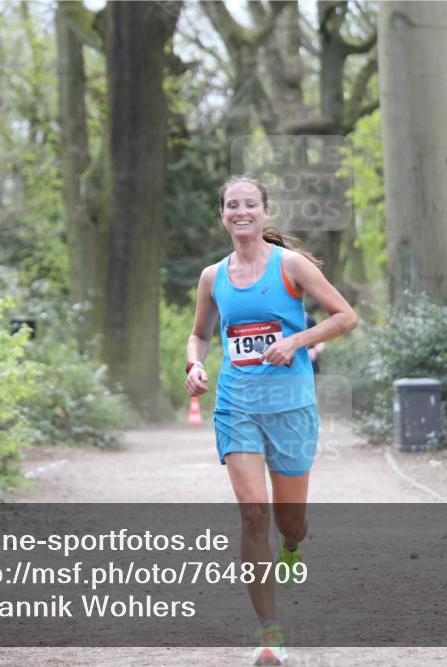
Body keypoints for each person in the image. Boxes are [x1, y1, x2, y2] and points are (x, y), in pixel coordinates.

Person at [184, 176, 357, 665]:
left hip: (292, 406)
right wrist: (194, 363)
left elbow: (346, 317)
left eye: (250, 204)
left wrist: (297, 341)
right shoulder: (212, 277)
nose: (241, 212)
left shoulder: (291, 266)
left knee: (291, 521)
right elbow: (199, 335)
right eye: (232, 205)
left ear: (264, 212)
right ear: (223, 214)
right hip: (237, 404)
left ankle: (293, 546)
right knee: (252, 513)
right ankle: (269, 632)